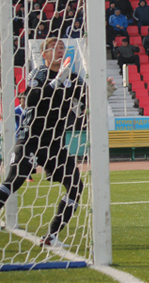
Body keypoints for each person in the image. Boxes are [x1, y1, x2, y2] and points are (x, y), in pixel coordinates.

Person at [0, 39, 114, 247]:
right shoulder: (39, 73)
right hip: (31, 139)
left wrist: (102, 95)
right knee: (14, 180)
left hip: (55, 144)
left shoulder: (72, 78)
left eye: (62, 47)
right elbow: (31, 100)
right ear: (44, 54)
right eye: (54, 47)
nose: (60, 50)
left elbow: (88, 102)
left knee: (75, 186)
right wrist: (55, 83)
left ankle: (52, 236)